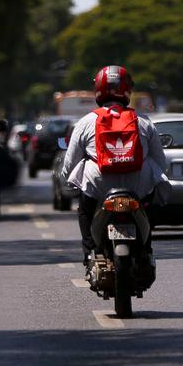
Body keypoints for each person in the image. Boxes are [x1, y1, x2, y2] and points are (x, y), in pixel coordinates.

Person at [61, 65, 171, 268]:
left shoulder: (86, 122)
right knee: (153, 203)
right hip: (139, 188)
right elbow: (160, 162)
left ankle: (90, 253)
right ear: (128, 90)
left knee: (84, 210)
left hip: (98, 187)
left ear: (99, 90)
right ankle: (146, 249)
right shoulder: (144, 122)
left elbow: (70, 163)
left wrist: (69, 180)